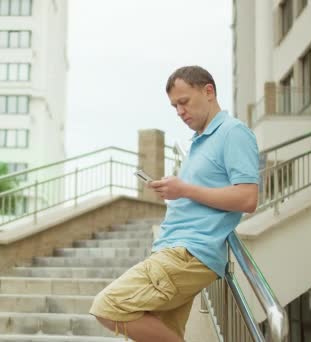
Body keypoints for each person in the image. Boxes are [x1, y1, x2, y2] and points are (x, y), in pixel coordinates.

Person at [89, 65, 259, 342]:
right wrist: (175, 190)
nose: (180, 112)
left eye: (184, 102)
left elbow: (247, 198)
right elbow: (197, 192)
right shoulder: (198, 142)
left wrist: (185, 189)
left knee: (108, 306)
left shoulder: (233, 133)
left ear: (208, 92)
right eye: (174, 107)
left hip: (189, 252)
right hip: (174, 248)